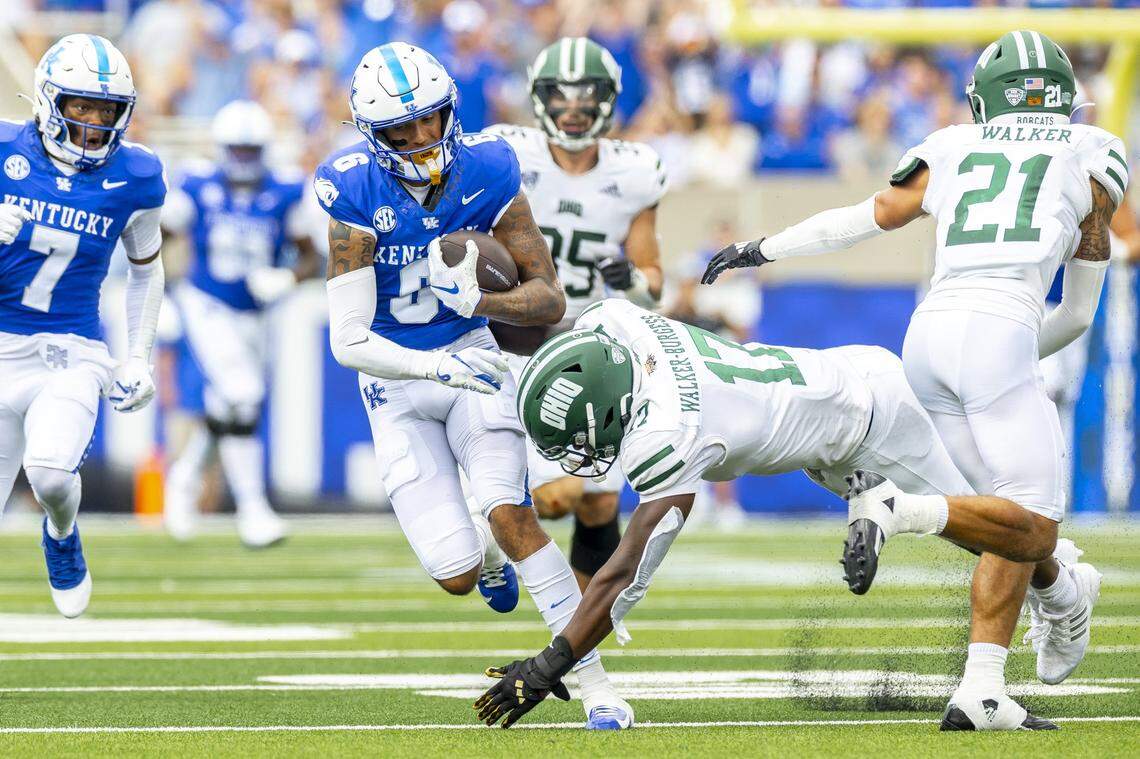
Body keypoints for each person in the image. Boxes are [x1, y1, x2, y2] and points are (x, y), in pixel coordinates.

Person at [700, 31, 1119, 730]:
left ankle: (999, 669)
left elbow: (864, 220)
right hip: (1003, 326)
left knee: (998, 515)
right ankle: (901, 508)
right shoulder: (1092, 152)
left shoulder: (952, 145)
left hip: (928, 331)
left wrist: (761, 247)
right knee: (1034, 518)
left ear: (986, 99)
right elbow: (1076, 312)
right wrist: (1012, 355)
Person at [473, 298, 1079, 729]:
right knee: (984, 533)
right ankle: (1060, 590)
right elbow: (574, 327)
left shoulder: (670, 433)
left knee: (997, 530)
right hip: (832, 405)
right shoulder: (615, 324)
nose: (574, 455)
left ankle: (1067, 593)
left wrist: (550, 663)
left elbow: (625, 573)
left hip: (876, 417)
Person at [314, 42, 631, 730]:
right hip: (396, 381)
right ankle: (484, 558)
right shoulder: (353, 189)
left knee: (509, 507)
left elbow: (547, 296)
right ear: (372, 134)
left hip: (473, 360)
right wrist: (433, 365)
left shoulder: (487, 169)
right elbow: (349, 341)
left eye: (433, 119)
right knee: (455, 570)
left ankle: (598, 681)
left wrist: (482, 307)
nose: (424, 138)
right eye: (405, 128)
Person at [485, 37, 667, 590]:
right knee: (560, 499)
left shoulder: (636, 170)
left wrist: (631, 282)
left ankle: (576, 635)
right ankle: (490, 538)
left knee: (600, 502)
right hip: (521, 334)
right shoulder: (506, 153)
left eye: (585, 97)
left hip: (594, 340)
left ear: (608, 100)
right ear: (539, 99)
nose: (571, 108)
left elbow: (653, 280)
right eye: (559, 97)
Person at [0, 35, 167, 617]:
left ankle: (63, 534)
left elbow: (147, 270)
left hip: (69, 350)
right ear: (50, 101)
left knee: (48, 473)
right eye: (81, 107)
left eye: (106, 111)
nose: (94, 123)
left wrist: (139, 356)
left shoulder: (137, 176)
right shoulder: (2, 150)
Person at [161, 100, 319, 548]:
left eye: (252, 151)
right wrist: (156, 291)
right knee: (244, 396)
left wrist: (287, 277)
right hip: (205, 303)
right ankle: (253, 509)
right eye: (238, 150)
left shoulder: (286, 190)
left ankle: (185, 476)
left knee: (231, 407)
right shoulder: (198, 185)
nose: (245, 160)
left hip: (254, 314)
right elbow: (153, 238)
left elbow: (309, 252)